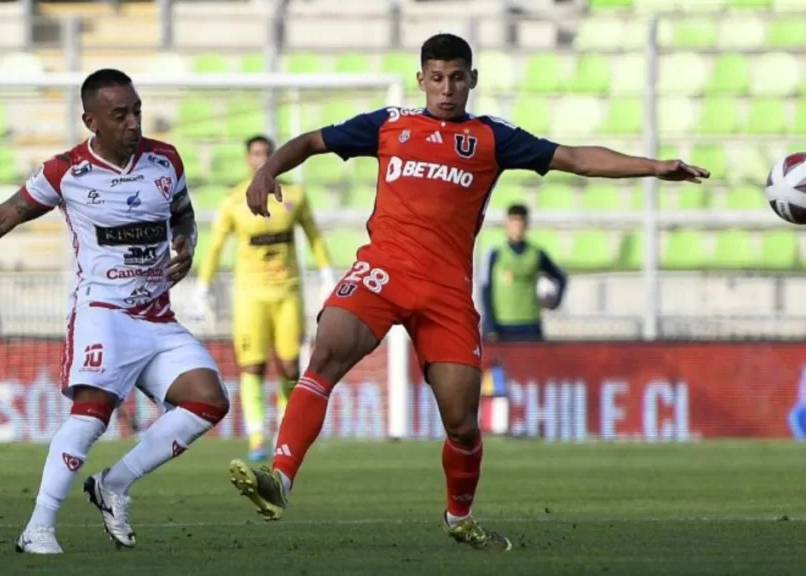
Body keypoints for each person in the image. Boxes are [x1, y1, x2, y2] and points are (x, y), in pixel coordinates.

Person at [227, 33, 708, 550]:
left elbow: (574, 158)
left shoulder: (491, 137)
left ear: (472, 79)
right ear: (421, 80)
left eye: (457, 78)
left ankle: (459, 517)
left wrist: (655, 167)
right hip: (383, 271)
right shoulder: (390, 124)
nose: (446, 89)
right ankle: (280, 477)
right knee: (328, 351)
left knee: (461, 425)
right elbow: (311, 142)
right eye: (436, 78)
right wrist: (268, 169)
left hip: (446, 293)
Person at [0, 69, 229, 555]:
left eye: (136, 110)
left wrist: (186, 243)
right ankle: (38, 528)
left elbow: (183, 214)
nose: (133, 122)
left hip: (156, 315)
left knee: (208, 401)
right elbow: (5, 214)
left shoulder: (165, 159)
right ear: (91, 120)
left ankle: (114, 484)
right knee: (92, 415)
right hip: (103, 313)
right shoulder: (67, 171)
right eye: (120, 114)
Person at [194, 135, 335, 462]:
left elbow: (314, 235)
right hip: (250, 296)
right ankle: (257, 436)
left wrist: (327, 274)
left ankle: (285, 434)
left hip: (288, 292)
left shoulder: (295, 195)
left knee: (289, 367)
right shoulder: (233, 200)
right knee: (252, 366)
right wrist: (203, 287)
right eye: (256, 153)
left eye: (267, 153)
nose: (261, 158)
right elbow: (215, 246)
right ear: (248, 159)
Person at [479, 203, 566, 342]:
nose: (517, 226)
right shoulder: (495, 253)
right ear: (507, 223)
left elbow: (560, 277)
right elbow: (485, 289)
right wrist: (489, 326)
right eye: (514, 221)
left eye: (521, 221)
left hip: (529, 323)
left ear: (526, 224)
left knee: (532, 363)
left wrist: (555, 302)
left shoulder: (536, 253)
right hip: (502, 325)